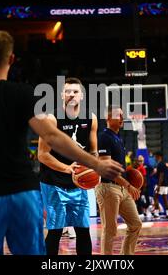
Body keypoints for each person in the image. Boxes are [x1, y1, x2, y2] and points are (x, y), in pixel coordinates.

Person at [0, 30, 123, 255]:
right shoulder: (23, 94)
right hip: (23, 193)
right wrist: (97, 164)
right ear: (11, 59)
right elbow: (52, 136)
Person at [38, 77, 98, 255]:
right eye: (67, 91)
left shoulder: (91, 118)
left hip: (78, 182)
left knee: (83, 229)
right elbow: (42, 155)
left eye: (75, 91)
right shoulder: (51, 119)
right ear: (62, 95)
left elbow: (93, 151)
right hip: (53, 182)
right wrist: (67, 169)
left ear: (82, 96)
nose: (71, 94)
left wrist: (94, 167)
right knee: (56, 231)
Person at [96, 105, 142, 255]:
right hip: (108, 187)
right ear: (108, 118)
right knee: (110, 230)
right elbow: (107, 170)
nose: (122, 118)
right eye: (118, 115)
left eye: (122, 115)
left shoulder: (118, 138)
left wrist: (130, 178)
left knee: (135, 224)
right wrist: (129, 185)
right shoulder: (104, 137)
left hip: (121, 188)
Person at [152, 151, 168, 219]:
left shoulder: (160, 164)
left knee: (155, 197)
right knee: (165, 198)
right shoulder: (163, 164)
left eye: (155, 156)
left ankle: (156, 214)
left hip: (161, 184)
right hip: (166, 184)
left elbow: (161, 176)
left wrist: (158, 186)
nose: (155, 157)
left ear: (159, 156)